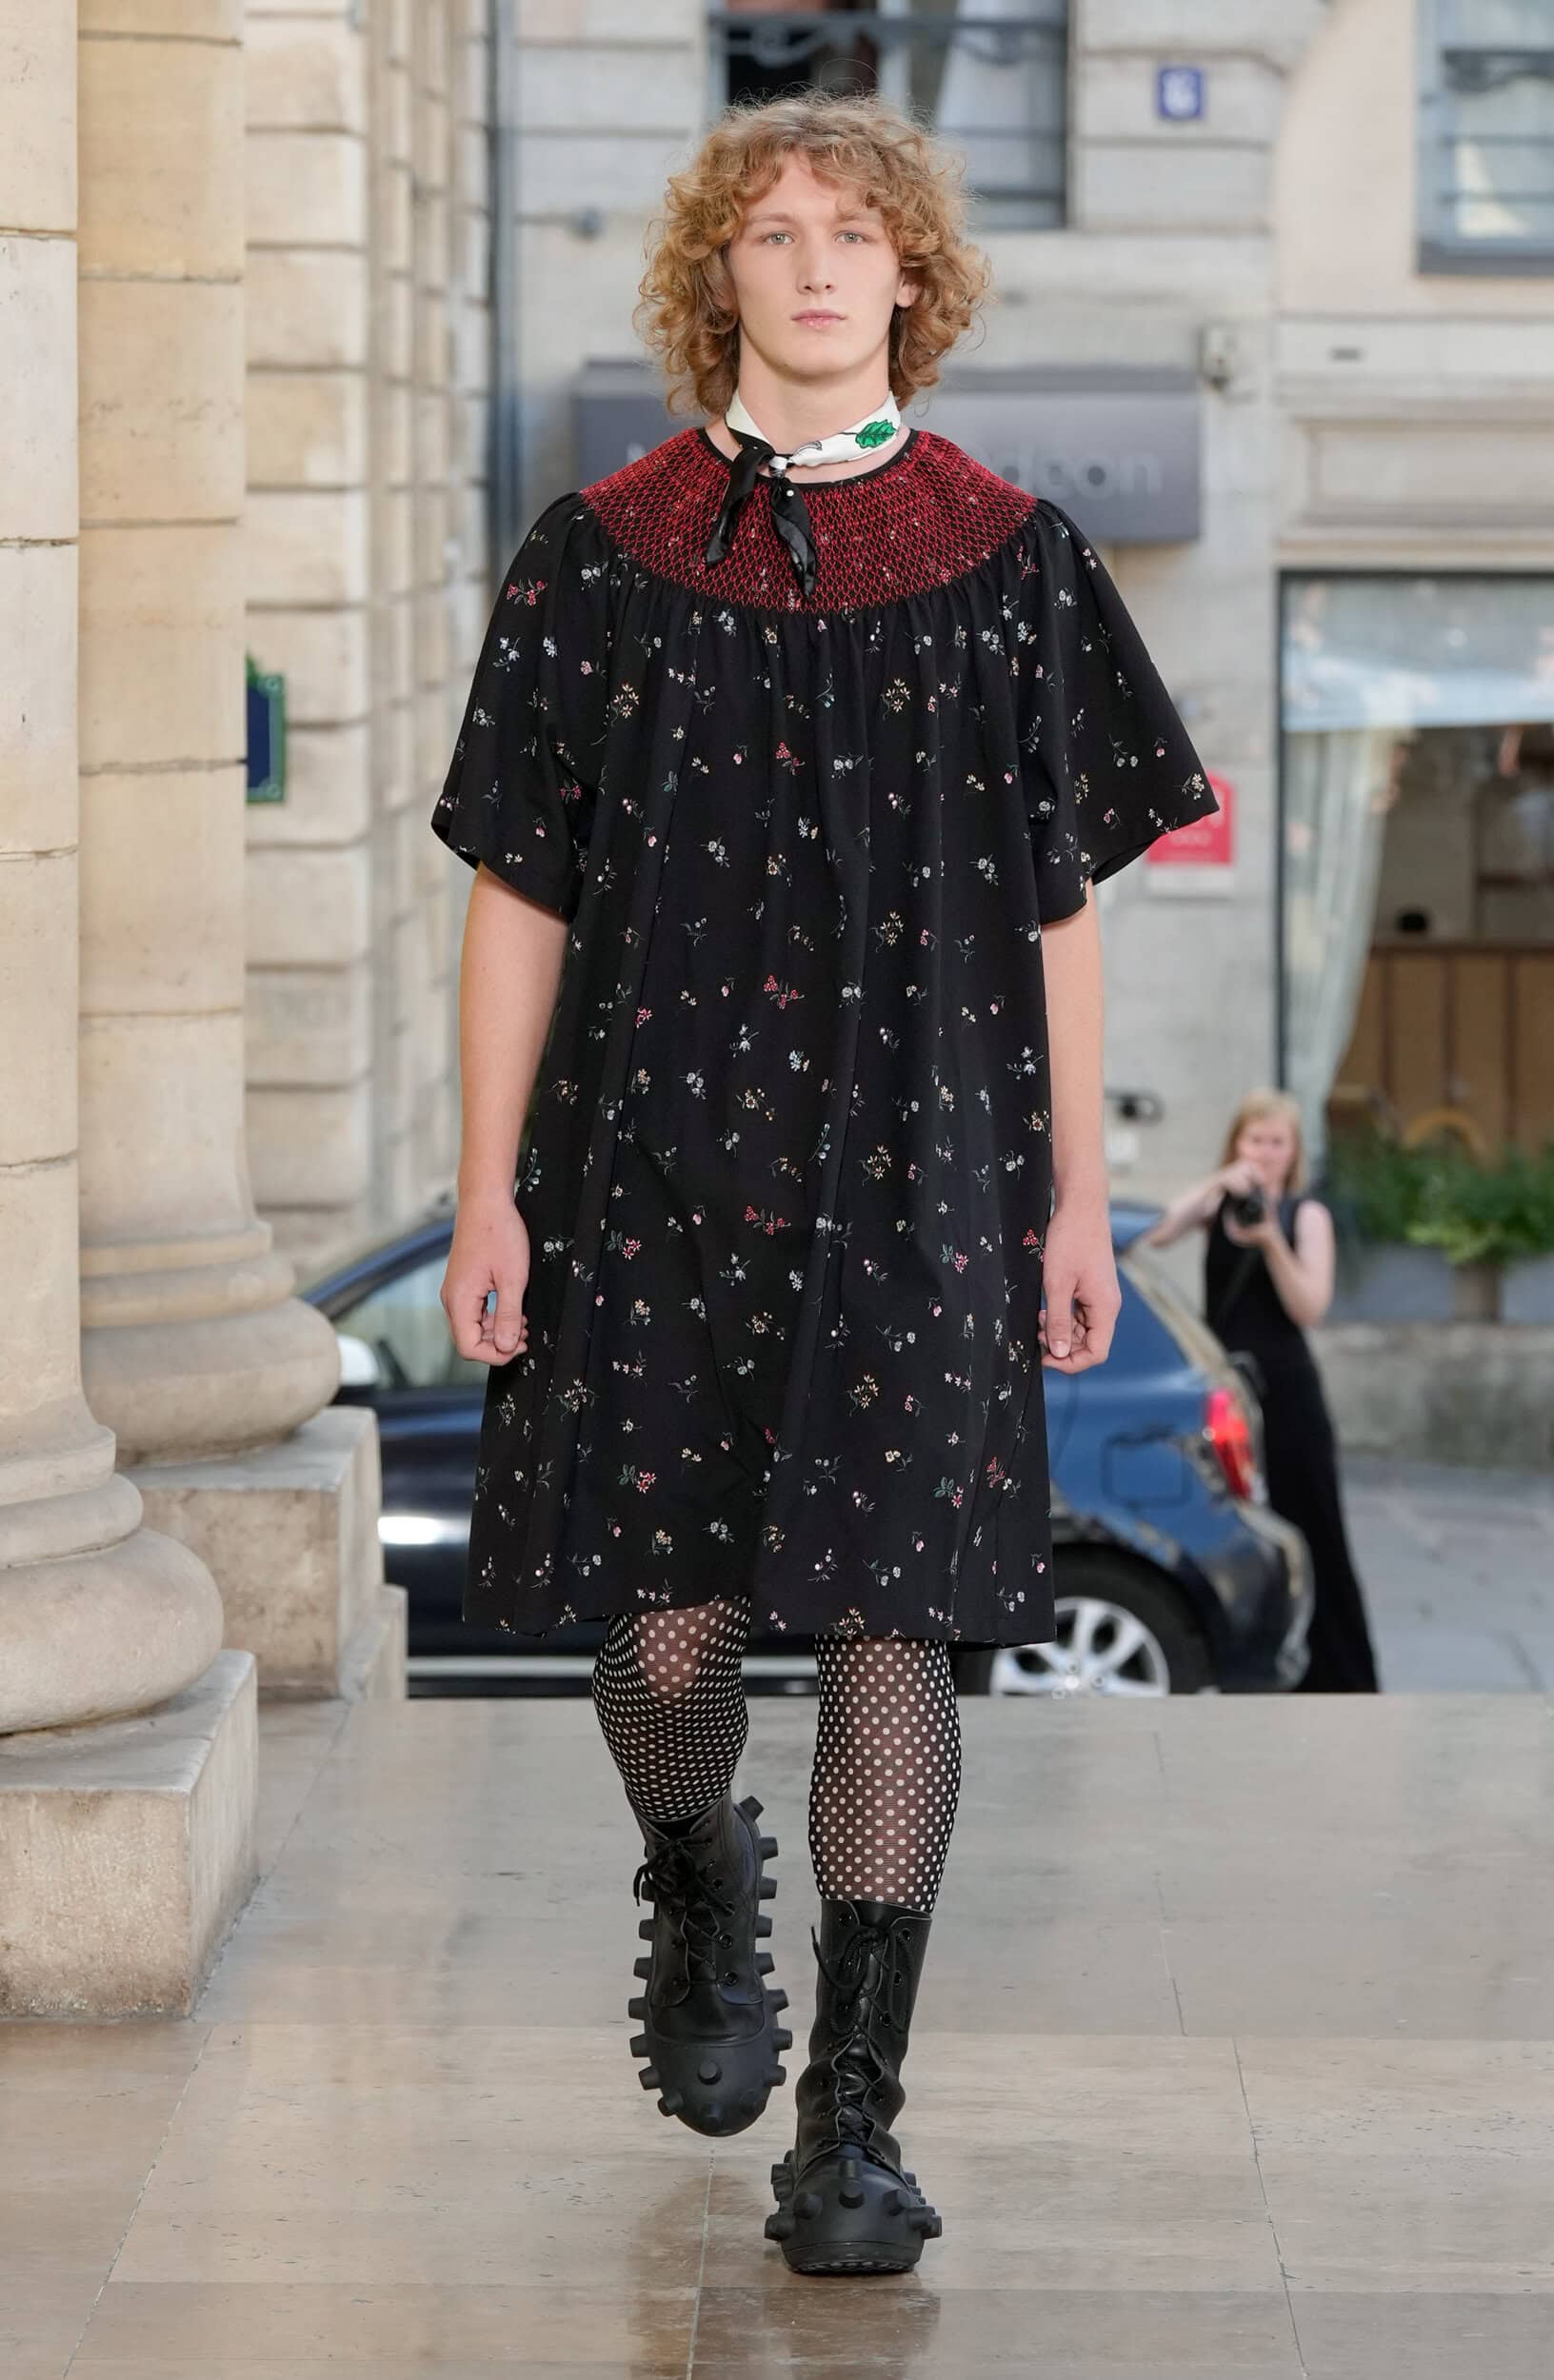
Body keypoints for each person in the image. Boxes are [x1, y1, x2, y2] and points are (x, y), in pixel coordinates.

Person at [431, 90, 1218, 2277]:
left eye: (847, 233)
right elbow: (518, 891)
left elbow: (1059, 905)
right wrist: (483, 1189)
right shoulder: (596, 551)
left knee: (892, 1625)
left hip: (919, 1173)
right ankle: (696, 1872)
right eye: (769, 231)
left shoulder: (1008, 555)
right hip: (646, 1170)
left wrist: (1075, 1197)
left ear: (907, 277)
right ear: (720, 271)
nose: (808, 266)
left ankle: (852, 2120)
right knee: (662, 1642)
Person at [1139, 1088, 1380, 1694]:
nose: (1266, 1153)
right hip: (1229, 1392)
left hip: (1287, 1393)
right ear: (1237, 1143)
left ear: (1294, 1152)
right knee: (1241, 1529)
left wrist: (1271, 1239)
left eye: (1278, 1142)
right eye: (1255, 1140)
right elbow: (1155, 1233)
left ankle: (1337, 1678)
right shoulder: (1220, 1201)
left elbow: (1310, 1307)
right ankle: (1258, 1664)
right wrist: (1218, 1183)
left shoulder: (1306, 1215)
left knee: (1312, 1529)